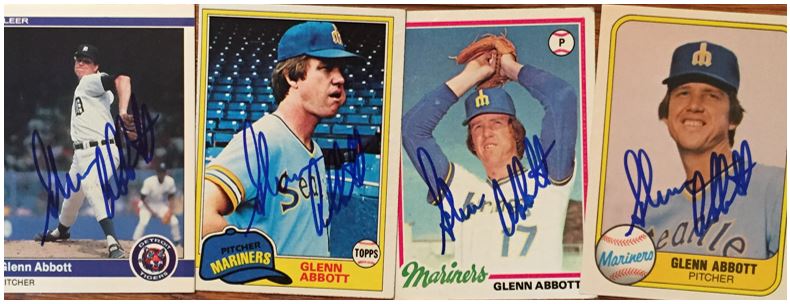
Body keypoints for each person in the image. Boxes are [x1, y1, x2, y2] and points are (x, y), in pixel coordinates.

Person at [402, 51, 578, 272]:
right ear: (472, 144)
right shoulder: (461, 190)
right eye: (477, 127)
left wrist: (509, 68)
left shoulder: (546, 180)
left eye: (496, 123)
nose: (486, 133)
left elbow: (561, 97)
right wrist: (471, 76)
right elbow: (411, 130)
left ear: (515, 133)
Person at [201, 21, 359, 257]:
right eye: (326, 68)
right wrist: (257, 270)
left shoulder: (314, 150)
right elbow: (201, 215)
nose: (339, 79)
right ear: (291, 77)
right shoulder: (263, 139)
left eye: (340, 70)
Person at [643, 41, 784, 259]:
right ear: (665, 115)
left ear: (733, 119)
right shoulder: (651, 218)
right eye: (683, 93)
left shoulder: (776, 189)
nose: (694, 105)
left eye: (711, 95)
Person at [34, 44, 132, 259]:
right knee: (71, 196)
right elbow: (111, 95)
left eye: (86, 61)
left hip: (101, 151)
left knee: (90, 184)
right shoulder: (89, 89)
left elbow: (123, 79)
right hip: (82, 154)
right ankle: (62, 230)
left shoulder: (90, 82)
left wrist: (123, 111)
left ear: (96, 67)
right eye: (78, 59)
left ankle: (112, 242)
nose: (80, 63)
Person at [133, 162, 181, 246]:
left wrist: (170, 210)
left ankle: (177, 242)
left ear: (166, 172)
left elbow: (171, 196)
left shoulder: (170, 181)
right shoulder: (149, 181)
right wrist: (151, 212)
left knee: (174, 221)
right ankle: (134, 241)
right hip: (146, 205)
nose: (161, 174)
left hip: (159, 204)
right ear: (157, 172)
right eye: (160, 172)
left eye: (163, 172)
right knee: (143, 222)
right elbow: (142, 198)